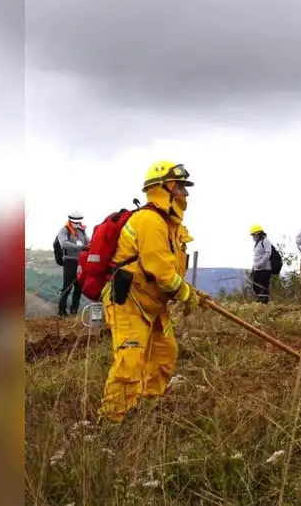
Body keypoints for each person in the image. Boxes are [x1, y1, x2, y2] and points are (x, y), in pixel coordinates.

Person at [99, 161, 201, 424]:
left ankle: (145, 409)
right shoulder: (149, 220)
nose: (185, 194)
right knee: (129, 361)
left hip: (153, 304)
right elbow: (162, 272)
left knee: (165, 353)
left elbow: (172, 270)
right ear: (164, 187)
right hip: (129, 302)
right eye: (181, 187)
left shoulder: (169, 225)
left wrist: (188, 291)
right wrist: (186, 295)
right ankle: (112, 422)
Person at [56, 211, 89, 317]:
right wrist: (80, 247)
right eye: (74, 222)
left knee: (78, 287)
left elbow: (87, 241)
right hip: (69, 261)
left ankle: (74, 311)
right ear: (70, 220)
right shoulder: (64, 230)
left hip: (80, 262)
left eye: (78, 222)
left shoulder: (81, 231)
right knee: (67, 287)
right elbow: (64, 243)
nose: (76, 224)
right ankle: (62, 311)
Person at [250, 224, 274, 304]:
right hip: (257, 269)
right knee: (256, 287)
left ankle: (263, 304)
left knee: (263, 287)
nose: (252, 236)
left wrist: (260, 264)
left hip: (264, 269)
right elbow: (256, 257)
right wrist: (253, 268)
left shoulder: (265, 241)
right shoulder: (257, 243)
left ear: (257, 233)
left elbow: (268, 253)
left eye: (253, 234)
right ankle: (258, 304)